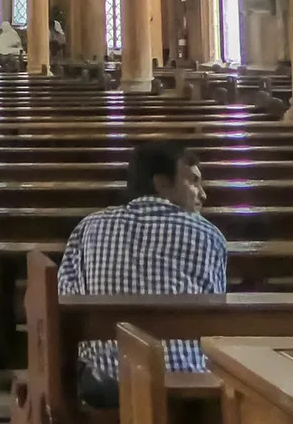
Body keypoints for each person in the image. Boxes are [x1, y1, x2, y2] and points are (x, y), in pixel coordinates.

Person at [57, 141, 226, 409]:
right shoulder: (208, 234)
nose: (203, 194)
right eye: (193, 182)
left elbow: (65, 295)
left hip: (104, 383)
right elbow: (214, 317)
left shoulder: (89, 227)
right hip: (185, 379)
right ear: (162, 184)